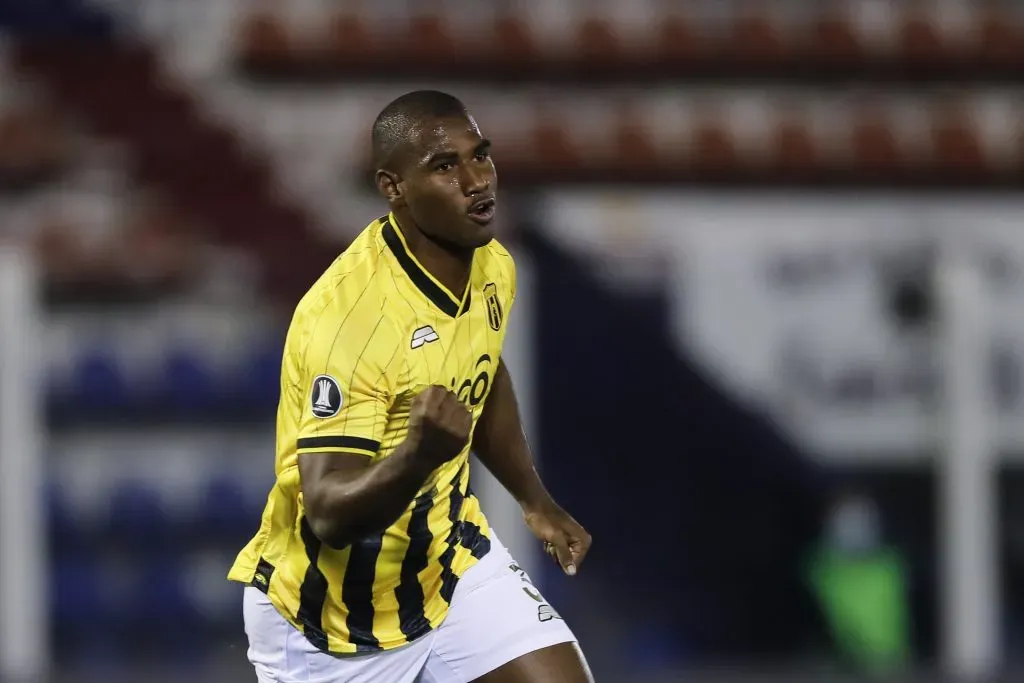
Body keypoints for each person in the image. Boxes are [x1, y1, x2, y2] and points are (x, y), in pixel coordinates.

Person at [228, 90, 594, 683]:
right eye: (445, 166)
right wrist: (419, 453)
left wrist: (534, 499)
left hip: (448, 566)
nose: (477, 181)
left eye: (482, 156)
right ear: (393, 187)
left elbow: (483, 371)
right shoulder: (350, 321)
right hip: (328, 625)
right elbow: (327, 513)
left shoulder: (493, 264)